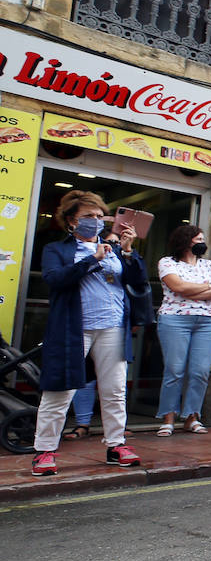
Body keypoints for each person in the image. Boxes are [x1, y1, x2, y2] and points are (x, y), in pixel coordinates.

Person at [31, 190, 148, 475]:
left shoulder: (116, 249)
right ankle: (45, 451)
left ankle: (116, 445)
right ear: (72, 221)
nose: (96, 221)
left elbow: (138, 282)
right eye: (88, 217)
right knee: (60, 389)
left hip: (112, 327)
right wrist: (92, 259)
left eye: (99, 216)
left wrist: (129, 252)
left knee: (114, 390)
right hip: (74, 328)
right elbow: (55, 280)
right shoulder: (57, 250)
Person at [155, 223, 211, 436]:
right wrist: (208, 287)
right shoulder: (167, 263)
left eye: (202, 240)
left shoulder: (209, 265)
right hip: (174, 320)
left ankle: (191, 417)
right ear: (185, 241)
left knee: (200, 371)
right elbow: (178, 287)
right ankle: (168, 418)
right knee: (174, 370)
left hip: (205, 321)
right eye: (197, 240)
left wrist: (192, 291)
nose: (201, 244)